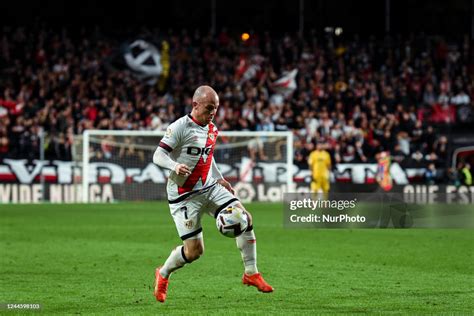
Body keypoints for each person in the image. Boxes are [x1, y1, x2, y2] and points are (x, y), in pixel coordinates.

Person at [152, 85, 273, 303]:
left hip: (209, 187)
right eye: (209, 108)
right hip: (184, 195)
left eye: (215, 109)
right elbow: (158, 155)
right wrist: (174, 166)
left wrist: (219, 177)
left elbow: (208, 157)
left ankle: (251, 273)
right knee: (194, 252)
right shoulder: (180, 127)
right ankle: (163, 274)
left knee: (244, 218)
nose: (213, 113)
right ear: (195, 105)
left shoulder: (212, 129)